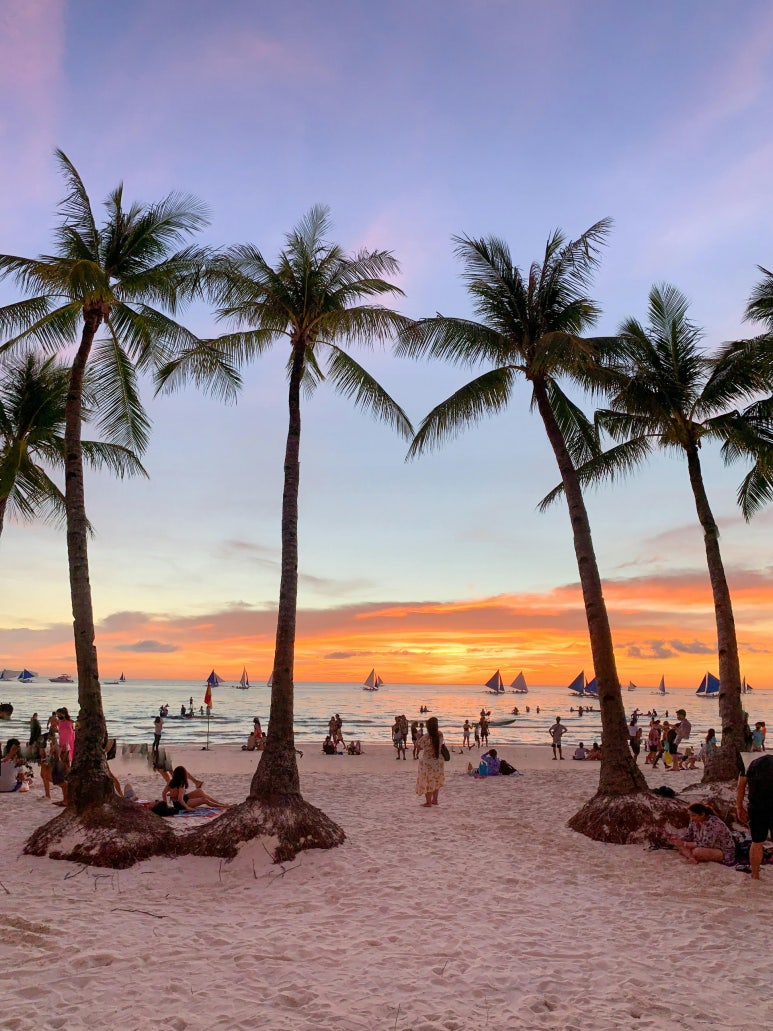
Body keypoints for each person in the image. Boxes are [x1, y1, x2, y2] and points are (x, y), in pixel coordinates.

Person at [736, 753, 773, 880]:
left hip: (757, 808)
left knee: (757, 842)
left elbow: (740, 787)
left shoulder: (750, 763)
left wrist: (739, 807)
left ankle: (755, 874)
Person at [667, 802, 736, 866]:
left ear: (702, 814)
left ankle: (691, 855)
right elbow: (689, 836)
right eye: (690, 815)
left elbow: (707, 844)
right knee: (680, 845)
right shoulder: (694, 821)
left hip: (721, 850)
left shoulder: (714, 823)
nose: (691, 818)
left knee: (696, 851)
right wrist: (678, 839)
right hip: (703, 845)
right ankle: (691, 858)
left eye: (693, 815)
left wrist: (684, 843)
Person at [161, 766, 228, 812]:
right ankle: (222, 806)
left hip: (180, 801)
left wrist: (165, 804)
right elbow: (180, 799)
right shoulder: (181, 783)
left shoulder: (171, 781)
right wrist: (187, 807)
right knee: (204, 800)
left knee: (199, 791)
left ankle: (220, 804)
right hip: (181, 804)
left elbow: (164, 793)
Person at [416, 716, 445, 807]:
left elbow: (419, 747)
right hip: (438, 761)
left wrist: (417, 738)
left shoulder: (426, 737)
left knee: (428, 781)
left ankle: (428, 802)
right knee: (436, 780)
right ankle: (435, 800)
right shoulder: (440, 734)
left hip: (428, 762)